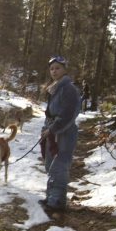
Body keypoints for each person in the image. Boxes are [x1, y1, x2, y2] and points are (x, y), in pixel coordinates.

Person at [39, 55, 81, 212]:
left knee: (60, 166)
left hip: (65, 132)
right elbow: (50, 113)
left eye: (57, 68)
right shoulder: (54, 87)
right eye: (52, 69)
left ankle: (57, 202)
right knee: (50, 165)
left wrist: (53, 129)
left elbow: (69, 114)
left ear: (64, 69)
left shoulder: (69, 88)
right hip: (52, 131)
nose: (54, 71)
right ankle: (51, 197)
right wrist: (46, 129)